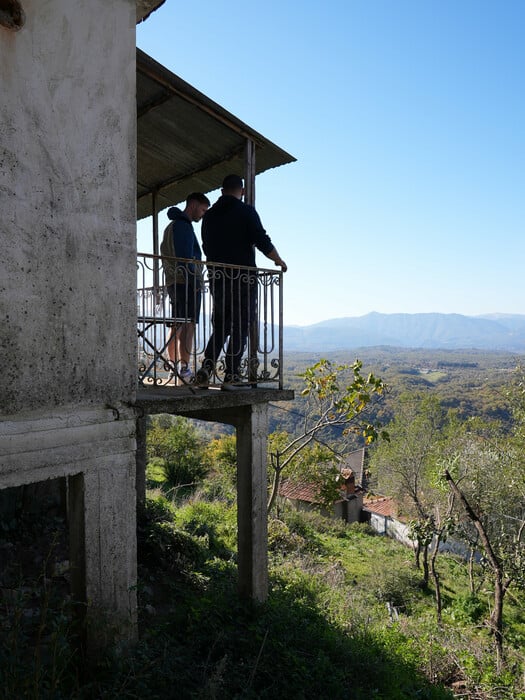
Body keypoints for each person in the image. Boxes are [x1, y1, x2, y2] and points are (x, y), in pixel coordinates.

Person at [196, 174, 287, 389]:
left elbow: (206, 247)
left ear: (221, 190)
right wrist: (279, 260)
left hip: (217, 278)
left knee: (220, 326)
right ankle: (232, 375)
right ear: (242, 191)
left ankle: (206, 368)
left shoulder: (209, 216)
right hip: (242, 279)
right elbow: (261, 239)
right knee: (241, 325)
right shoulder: (246, 211)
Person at [161, 192, 210, 383]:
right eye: (203, 210)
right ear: (194, 205)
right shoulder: (183, 226)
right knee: (189, 325)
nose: (203, 214)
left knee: (176, 324)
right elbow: (185, 256)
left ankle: (174, 367)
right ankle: (184, 369)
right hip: (185, 282)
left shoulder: (171, 226)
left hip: (173, 281)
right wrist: (195, 280)